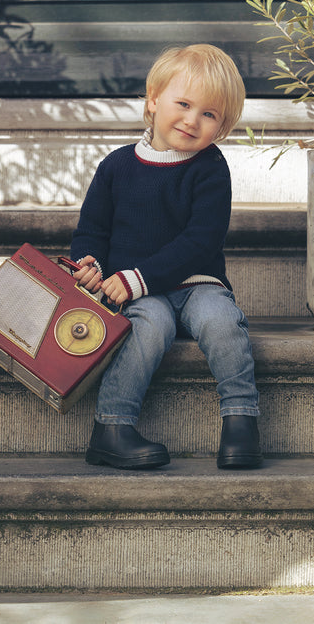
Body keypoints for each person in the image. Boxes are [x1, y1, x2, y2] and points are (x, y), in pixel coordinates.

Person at [70, 43, 262, 470]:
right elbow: (92, 231)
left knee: (221, 321)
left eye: (209, 114)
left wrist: (137, 277)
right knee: (147, 326)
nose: (193, 120)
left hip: (197, 284)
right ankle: (112, 428)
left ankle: (240, 423)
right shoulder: (117, 166)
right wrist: (90, 264)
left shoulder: (209, 168)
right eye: (184, 104)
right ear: (154, 100)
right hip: (141, 296)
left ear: (222, 126)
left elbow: (201, 241)